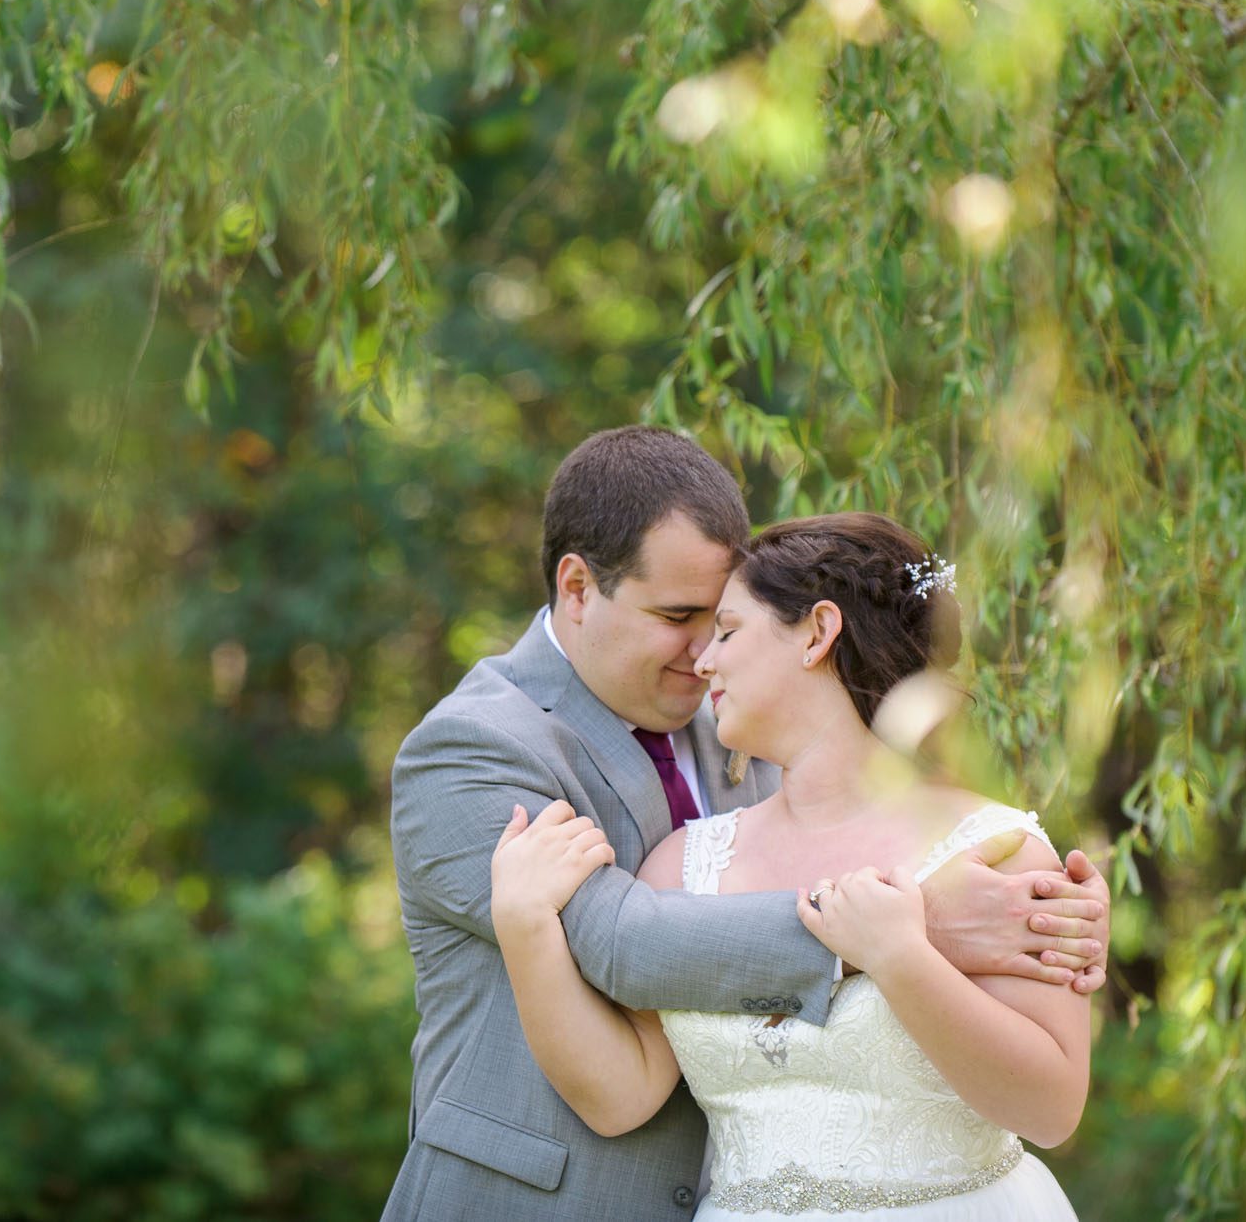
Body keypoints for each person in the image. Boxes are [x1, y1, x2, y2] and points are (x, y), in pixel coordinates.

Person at [383, 427, 1109, 1221]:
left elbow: (1047, 1096)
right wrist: (914, 922)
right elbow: (627, 944)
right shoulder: (475, 746)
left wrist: (1023, 923)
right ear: (579, 586)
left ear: (819, 634)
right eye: (680, 615)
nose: (702, 658)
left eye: (722, 626)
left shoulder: (755, 740)